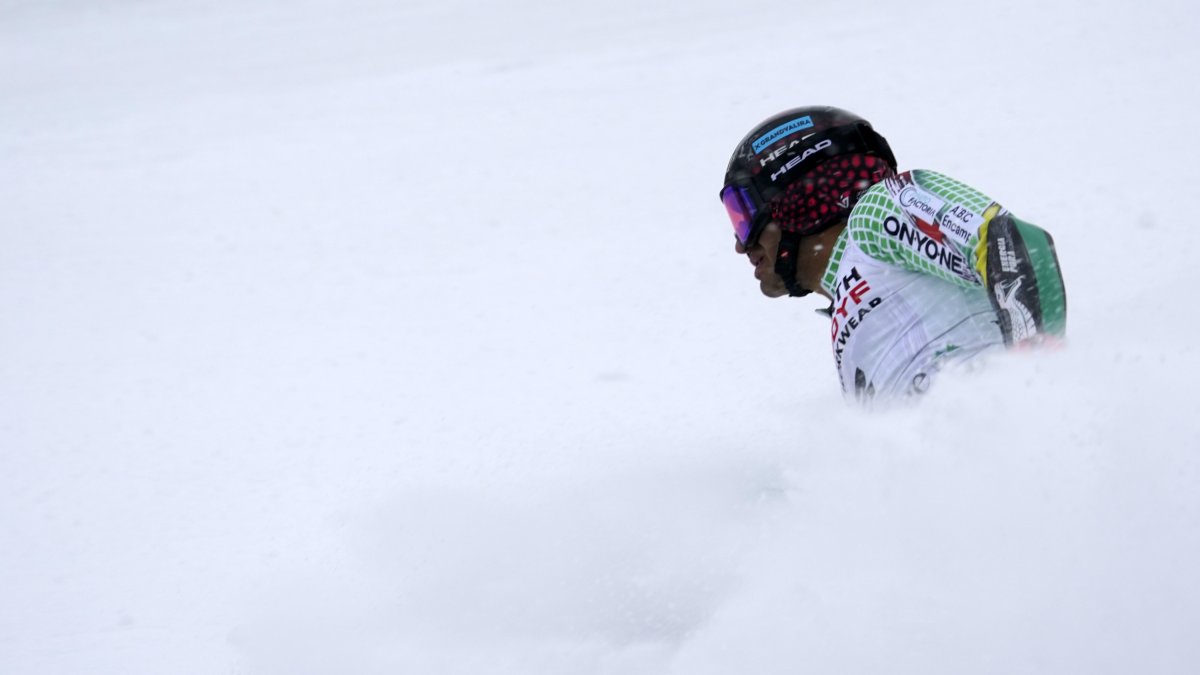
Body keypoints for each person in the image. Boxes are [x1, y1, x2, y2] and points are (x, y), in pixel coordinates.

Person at [719, 106, 1067, 405]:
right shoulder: (847, 308)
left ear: (793, 197)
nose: (741, 245)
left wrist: (1035, 372)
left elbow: (1013, 243)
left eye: (743, 215)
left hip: (1009, 435)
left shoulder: (877, 211)